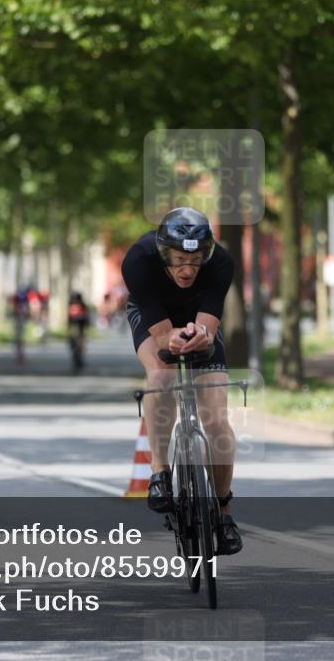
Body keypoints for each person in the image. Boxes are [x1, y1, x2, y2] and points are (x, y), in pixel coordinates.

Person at [120, 207, 242, 555]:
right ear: (163, 253)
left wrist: (200, 335)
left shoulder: (221, 264)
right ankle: (159, 473)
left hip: (197, 319)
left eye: (195, 259)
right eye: (177, 260)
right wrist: (169, 340)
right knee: (162, 374)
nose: (187, 269)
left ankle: (223, 511)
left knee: (217, 419)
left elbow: (209, 326)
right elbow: (161, 338)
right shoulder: (139, 261)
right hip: (153, 316)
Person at [67, 291, 90, 371]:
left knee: (77, 345)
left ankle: (78, 359)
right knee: (79, 345)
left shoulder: (72, 305)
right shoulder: (82, 305)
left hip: (76, 329)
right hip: (79, 329)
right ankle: (78, 359)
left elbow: (69, 319)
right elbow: (86, 319)